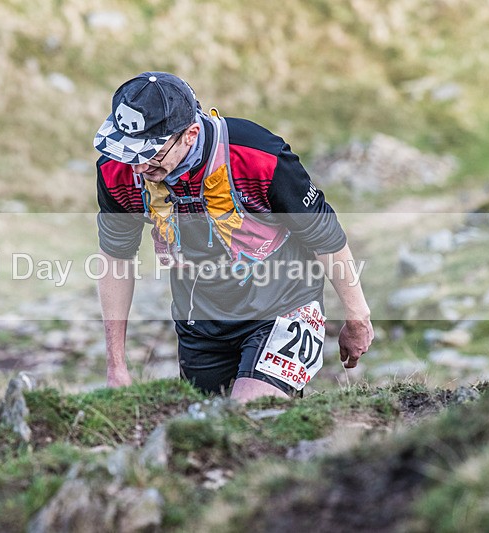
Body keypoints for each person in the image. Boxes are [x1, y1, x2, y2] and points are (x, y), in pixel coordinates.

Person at [93, 72, 374, 403]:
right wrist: (116, 366)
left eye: (150, 154)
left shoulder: (257, 155)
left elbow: (324, 235)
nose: (136, 167)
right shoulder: (117, 171)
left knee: (250, 414)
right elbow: (116, 260)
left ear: (190, 134)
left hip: (284, 304)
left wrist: (357, 316)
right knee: (207, 434)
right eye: (127, 151)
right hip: (200, 321)